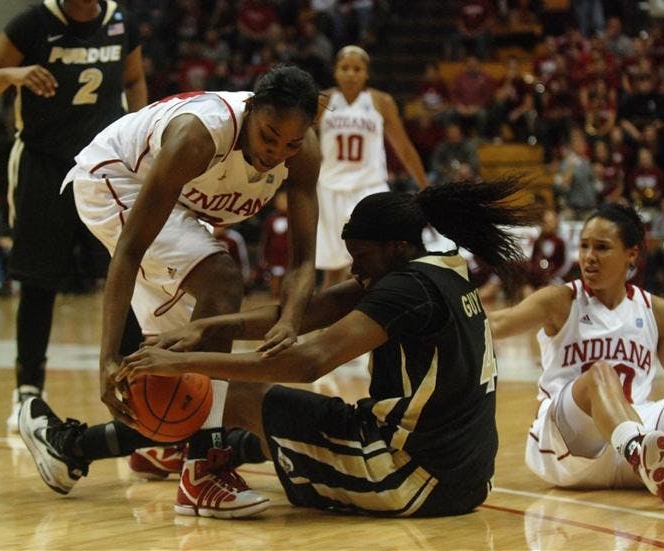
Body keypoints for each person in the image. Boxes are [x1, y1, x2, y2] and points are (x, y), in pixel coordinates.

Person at [29, 178, 533, 518]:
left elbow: (307, 361)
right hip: (465, 478)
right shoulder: (439, 270)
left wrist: (179, 361)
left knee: (239, 396)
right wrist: (208, 328)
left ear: (396, 248)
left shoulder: (406, 289)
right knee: (259, 426)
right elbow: (303, 313)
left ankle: (89, 450)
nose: (356, 269)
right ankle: (177, 448)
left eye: (361, 257)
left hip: (407, 476)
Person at [19, 65, 322, 518]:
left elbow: (302, 261)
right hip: (113, 181)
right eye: (269, 138)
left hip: (174, 204)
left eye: (291, 144)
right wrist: (107, 359)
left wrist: (290, 321)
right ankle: (205, 470)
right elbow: (129, 251)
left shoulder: (303, 155)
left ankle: (103, 446)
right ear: (251, 110)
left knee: (212, 379)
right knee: (222, 279)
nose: (277, 153)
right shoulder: (199, 135)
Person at [487, 203, 664, 510]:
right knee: (601, 373)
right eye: (584, 246)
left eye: (601, 247)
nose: (588, 257)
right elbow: (497, 324)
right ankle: (639, 450)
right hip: (569, 444)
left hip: (642, 441)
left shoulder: (655, 311)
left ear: (631, 254)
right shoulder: (561, 300)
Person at [0, 0, 148, 431]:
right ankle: (28, 389)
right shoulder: (33, 22)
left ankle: (137, 383)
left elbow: (134, 80)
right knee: (38, 281)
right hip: (44, 165)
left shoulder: (120, 24)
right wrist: (17, 74)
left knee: (125, 274)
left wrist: (140, 132)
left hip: (104, 167)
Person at [316, 46, 429, 290]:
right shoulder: (322, 102)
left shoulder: (381, 101)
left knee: (371, 261)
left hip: (369, 188)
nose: (351, 74)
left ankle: (372, 314)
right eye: (345, 68)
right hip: (329, 187)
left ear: (367, 73)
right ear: (335, 72)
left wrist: (424, 185)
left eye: (358, 69)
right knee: (333, 267)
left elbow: (404, 148)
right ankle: (325, 324)